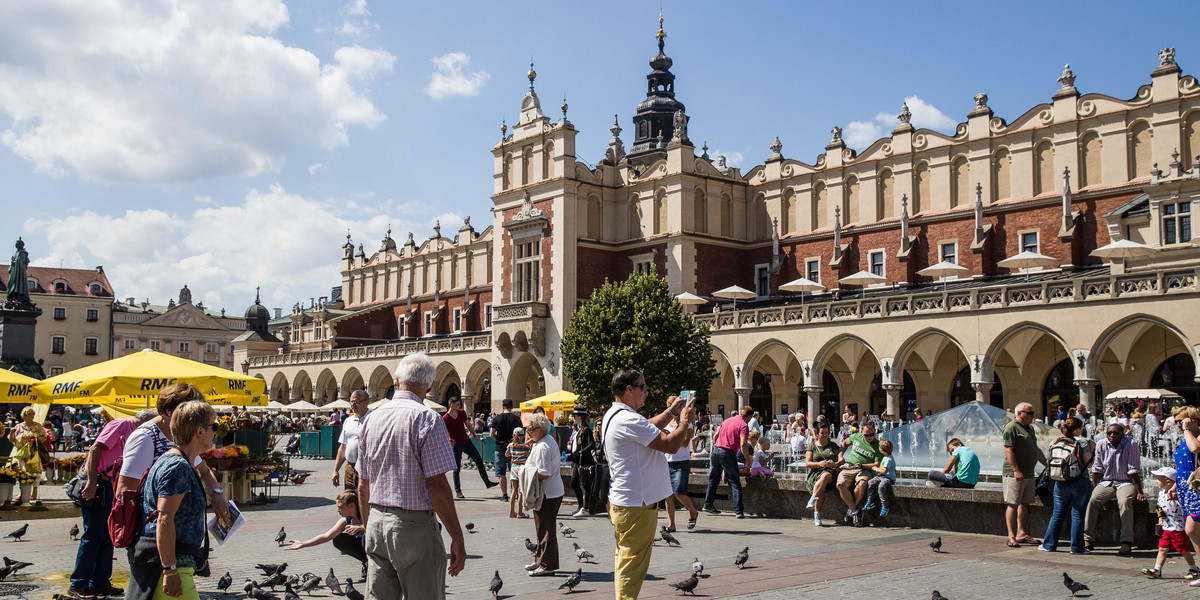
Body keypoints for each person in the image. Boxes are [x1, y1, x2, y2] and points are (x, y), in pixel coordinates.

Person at [356, 353, 465, 599]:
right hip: (413, 526)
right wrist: (456, 536)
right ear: (429, 386)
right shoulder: (427, 418)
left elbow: (363, 485)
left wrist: (367, 527)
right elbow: (436, 485)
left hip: (376, 520)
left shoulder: (371, 419)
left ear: (396, 381)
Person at [602, 368, 695, 600]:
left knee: (626, 560)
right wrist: (684, 423)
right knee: (631, 566)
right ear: (628, 389)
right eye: (642, 387)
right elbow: (670, 444)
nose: (647, 391)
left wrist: (670, 413)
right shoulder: (629, 419)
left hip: (626, 501)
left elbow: (647, 426)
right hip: (637, 504)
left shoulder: (616, 415)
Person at [127, 400, 217, 600]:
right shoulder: (177, 466)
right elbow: (164, 519)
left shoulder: (179, 461)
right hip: (169, 565)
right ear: (200, 431)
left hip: (174, 563)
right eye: (214, 426)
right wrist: (170, 571)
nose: (215, 432)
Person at [68, 409, 155, 599]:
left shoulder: (134, 432)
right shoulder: (121, 425)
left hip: (111, 486)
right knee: (93, 535)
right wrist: (91, 482)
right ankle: (79, 584)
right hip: (100, 484)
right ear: (146, 423)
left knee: (108, 536)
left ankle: (100, 582)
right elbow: (95, 449)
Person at [1084, 421, 1145, 554]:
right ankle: (1088, 539)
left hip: (1126, 482)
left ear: (1123, 434)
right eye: (1109, 433)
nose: (1112, 435)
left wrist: (1140, 491)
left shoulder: (1131, 444)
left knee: (1124, 502)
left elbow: (1133, 470)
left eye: (1116, 433)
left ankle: (1126, 542)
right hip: (1107, 482)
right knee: (1093, 500)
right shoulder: (1101, 444)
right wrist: (1095, 488)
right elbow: (1097, 469)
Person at [1038, 417, 1095, 553]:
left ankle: (1049, 545)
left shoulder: (1055, 441)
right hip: (1080, 482)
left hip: (1060, 481)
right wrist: (1092, 447)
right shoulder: (1083, 443)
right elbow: (1090, 464)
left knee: (1057, 514)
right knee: (1078, 515)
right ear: (1078, 429)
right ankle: (1077, 548)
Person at [284, 490, 367, 576]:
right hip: (364, 548)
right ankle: (366, 562)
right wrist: (303, 544)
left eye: (340, 507)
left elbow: (380, 527)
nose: (337, 510)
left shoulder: (367, 513)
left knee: (366, 535)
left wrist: (360, 527)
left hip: (377, 546)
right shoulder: (347, 520)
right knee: (339, 539)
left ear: (351, 505)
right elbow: (326, 536)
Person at [521, 412, 563, 577]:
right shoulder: (545, 441)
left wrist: (526, 475)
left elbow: (544, 473)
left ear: (540, 429)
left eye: (530, 428)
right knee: (542, 528)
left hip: (548, 493)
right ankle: (540, 559)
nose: (528, 431)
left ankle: (547, 565)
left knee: (546, 529)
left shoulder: (544, 446)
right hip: (549, 492)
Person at [1004, 402, 1048, 547]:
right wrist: (1016, 470)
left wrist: (1047, 464)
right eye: (1029, 413)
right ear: (1019, 413)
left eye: (1033, 412)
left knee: (1025, 503)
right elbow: (1008, 450)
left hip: (1029, 473)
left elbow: (1035, 449)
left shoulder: (1029, 428)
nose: (1033, 415)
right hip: (1014, 473)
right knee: (1013, 503)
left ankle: (1021, 533)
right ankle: (1011, 536)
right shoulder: (1011, 428)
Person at [1141, 466, 1198, 581]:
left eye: (1158, 479)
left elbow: (1185, 507)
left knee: (1183, 550)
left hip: (1178, 528)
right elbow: (1159, 508)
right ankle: (1157, 569)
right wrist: (1160, 519)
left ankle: (1194, 568)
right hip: (1167, 527)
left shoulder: (1178, 494)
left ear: (1168, 481)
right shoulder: (1161, 493)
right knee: (1162, 548)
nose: (1156, 481)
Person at [702, 405, 753, 518]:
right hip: (728, 453)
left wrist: (718, 447)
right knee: (735, 482)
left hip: (716, 451)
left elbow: (715, 436)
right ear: (749, 416)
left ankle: (708, 504)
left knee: (713, 479)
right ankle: (739, 511)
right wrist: (748, 460)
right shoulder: (744, 425)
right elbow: (743, 443)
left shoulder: (727, 420)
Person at [443, 397, 499, 499]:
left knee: (479, 460)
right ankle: (458, 491)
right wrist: (449, 441)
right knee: (457, 468)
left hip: (466, 441)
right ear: (451, 405)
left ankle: (487, 482)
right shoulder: (445, 418)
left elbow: (468, 425)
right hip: (456, 444)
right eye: (457, 404)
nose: (459, 406)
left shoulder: (461, 412)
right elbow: (443, 432)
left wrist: (474, 435)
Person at [838, 419, 882, 526]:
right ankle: (855, 511)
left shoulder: (878, 445)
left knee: (862, 484)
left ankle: (852, 510)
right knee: (840, 484)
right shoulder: (856, 437)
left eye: (871, 434)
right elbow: (844, 443)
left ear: (875, 432)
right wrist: (840, 456)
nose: (869, 437)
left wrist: (863, 465)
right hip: (850, 467)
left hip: (864, 470)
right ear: (862, 432)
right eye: (867, 435)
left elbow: (876, 464)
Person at [663, 415, 698, 531]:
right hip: (667, 460)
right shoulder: (667, 423)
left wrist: (669, 435)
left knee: (679, 492)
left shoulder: (688, 423)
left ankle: (693, 511)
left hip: (681, 461)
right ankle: (671, 524)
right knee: (668, 495)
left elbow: (685, 443)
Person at [332, 390, 371, 492]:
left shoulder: (373, 419)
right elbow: (342, 447)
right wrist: (335, 470)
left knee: (364, 500)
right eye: (351, 402)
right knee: (349, 500)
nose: (353, 405)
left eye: (356, 402)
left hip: (367, 468)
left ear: (366, 402)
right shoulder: (348, 421)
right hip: (350, 468)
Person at [805, 422, 841, 527]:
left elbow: (840, 461)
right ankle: (817, 515)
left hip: (830, 472)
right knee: (821, 485)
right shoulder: (812, 446)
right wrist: (819, 464)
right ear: (817, 434)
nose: (825, 435)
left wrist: (834, 463)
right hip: (815, 472)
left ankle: (813, 498)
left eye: (826, 433)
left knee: (825, 476)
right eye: (822, 433)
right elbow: (807, 463)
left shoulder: (833, 445)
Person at [9, 406, 47, 503]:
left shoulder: (37, 426)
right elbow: (12, 440)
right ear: (24, 415)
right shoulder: (19, 426)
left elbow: (44, 437)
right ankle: (22, 492)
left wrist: (36, 439)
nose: (32, 416)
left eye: (33, 414)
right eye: (29, 414)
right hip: (22, 453)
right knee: (22, 471)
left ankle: (34, 491)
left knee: (35, 471)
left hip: (34, 452)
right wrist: (12, 433)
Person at [490, 399, 522, 502]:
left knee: (501, 473)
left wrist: (498, 439)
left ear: (503, 406)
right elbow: (520, 435)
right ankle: (515, 493)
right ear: (512, 407)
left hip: (500, 448)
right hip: (513, 448)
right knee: (514, 472)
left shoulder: (497, 418)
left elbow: (491, 434)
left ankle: (504, 495)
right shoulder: (517, 419)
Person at [567, 408, 596, 517]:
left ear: (581, 417)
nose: (573, 418)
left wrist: (581, 452)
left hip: (584, 461)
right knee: (574, 483)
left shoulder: (586, 430)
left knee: (585, 485)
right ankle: (581, 506)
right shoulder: (579, 430)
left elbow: (591, 444)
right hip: (577, 461)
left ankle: (586, 508)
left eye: (575, 416)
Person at [862, 439, 896, 518]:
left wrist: (875, 469)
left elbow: (884, 471)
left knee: (881, 487)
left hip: (889, 478)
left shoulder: (889, 459)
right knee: (871, 482)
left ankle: (885, 506)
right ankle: (870, 501)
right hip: (882, 476)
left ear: (881, 449)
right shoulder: (885, 457)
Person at [506, 429, 531, 518]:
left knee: (514, 491)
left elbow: (506, 454)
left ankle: (511, 512)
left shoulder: (510, 445)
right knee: (521, 491)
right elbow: (529, 456)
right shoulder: (525, 447)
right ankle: (520, 512)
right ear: (523, 436)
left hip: (513, 468)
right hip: (521, 469)